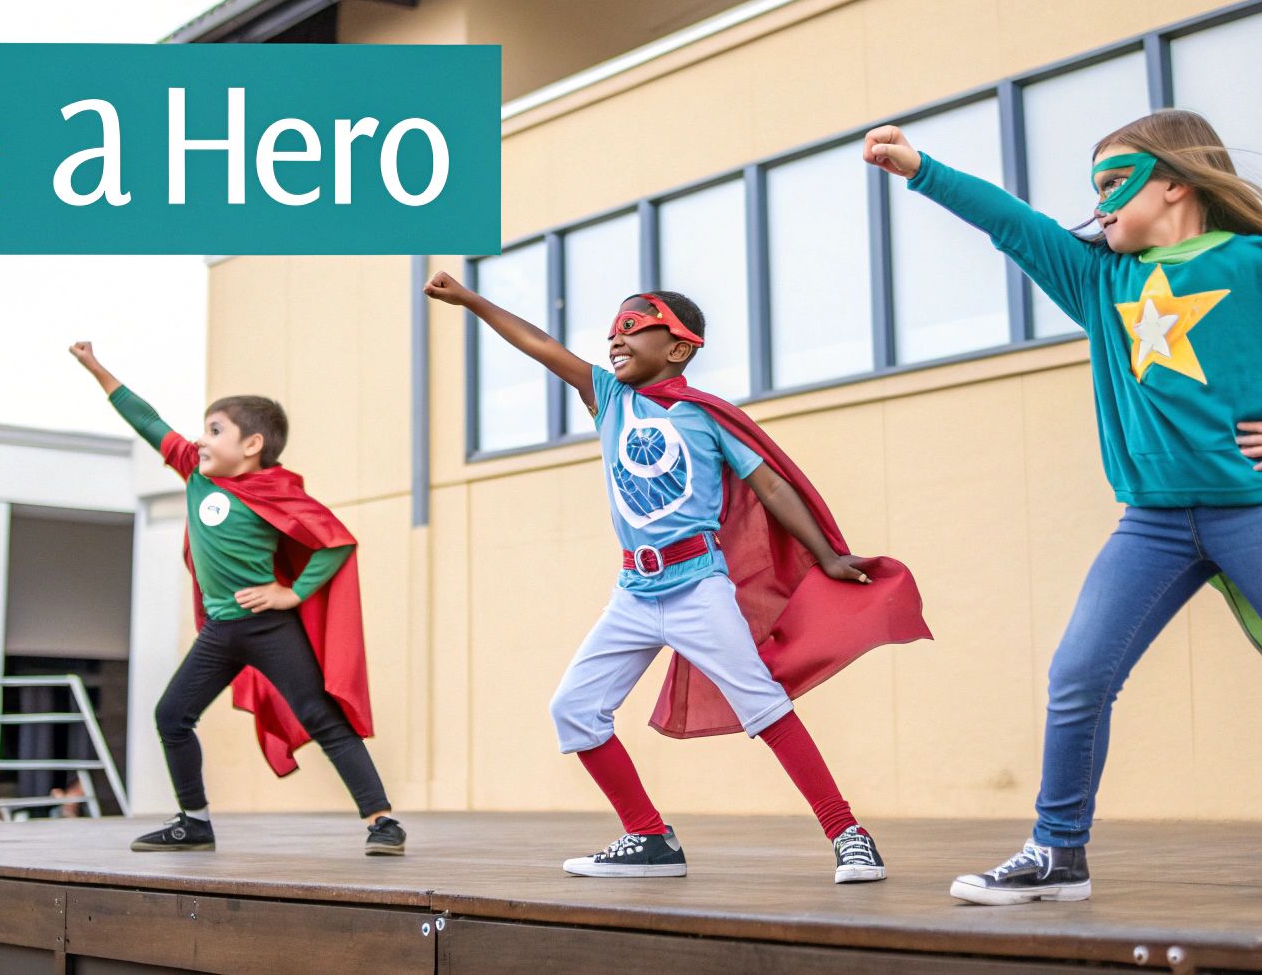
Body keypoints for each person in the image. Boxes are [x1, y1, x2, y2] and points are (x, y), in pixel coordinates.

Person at [864, 109, 1262, 918]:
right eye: (1093, 190)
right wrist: (922, 169)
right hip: (1153, 524)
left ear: (1174, 183)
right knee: (1079, 675)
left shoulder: (1257, 263)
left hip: (1260, 512)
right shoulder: (1100, 279)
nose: (1098, 205)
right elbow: (1015, 224)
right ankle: (1057, 853)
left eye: (1113, 184)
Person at [425, 276, 931, 882]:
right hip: (633, 595)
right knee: (575, 709)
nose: (616, 339)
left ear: (678, 348)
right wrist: (473, 301)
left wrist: (825, 555)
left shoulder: (706, 416)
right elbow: (543, 347)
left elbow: (772, 487)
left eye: (633, 328)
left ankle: (848, 833)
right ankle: (649, 839)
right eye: (613, 331)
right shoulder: (610, 398)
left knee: (764, 706)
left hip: (698, 586)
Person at [69, 342, 405, 857]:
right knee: (172, 716)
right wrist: (97, 368)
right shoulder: (194, 471)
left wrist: (292, 593)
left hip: (268, 628)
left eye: (214, 431)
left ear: (251, 444)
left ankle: (382, 822)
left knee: (320, 717)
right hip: (220, 631)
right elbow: (147, 419)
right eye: (203, 431)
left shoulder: (276, 491)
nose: (199, 440)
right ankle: (194, 822)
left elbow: (335, 543)